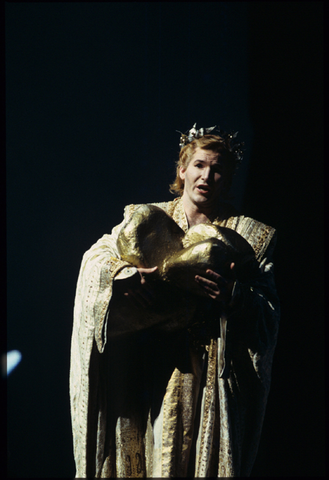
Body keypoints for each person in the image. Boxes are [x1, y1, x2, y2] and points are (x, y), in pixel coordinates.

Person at [69, 124, 280, 478]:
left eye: (217, 169)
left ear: (227, 179)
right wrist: (124, 276)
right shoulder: (146, 220)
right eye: (199, 165)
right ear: (182, 170)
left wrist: (234, 296)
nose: (206, 176)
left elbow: (269, 310)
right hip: (149, 368)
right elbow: (95, 259)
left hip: (211, 374)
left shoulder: (248, 236)